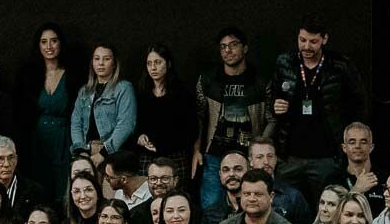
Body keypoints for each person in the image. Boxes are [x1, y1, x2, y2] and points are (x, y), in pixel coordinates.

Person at [266, 18, 367, 206]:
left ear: (324, 39)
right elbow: (272, 96)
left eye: (313, 41)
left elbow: (358, 103)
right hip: (289, 156)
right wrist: (276, 105)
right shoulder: (285, 62)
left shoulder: (340, 66)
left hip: (326, 156)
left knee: (328, 208)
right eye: (302, 40)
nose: (306, 46)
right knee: (284, 207)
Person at [197, 25, 268, 183]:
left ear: (245, 48)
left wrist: (261, 150)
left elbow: (272, 118)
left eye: (233, 45)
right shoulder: (209, 79)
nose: (227, 50)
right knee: (211, 198)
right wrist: (196, 150)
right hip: (214, 155)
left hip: (250, 155)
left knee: (251, 195)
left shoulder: (260, 81)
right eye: (223, 47)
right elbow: (198, 117)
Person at [21, 22, 77, 182]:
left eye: (54, 41)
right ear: (38, 45)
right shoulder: (29, 75)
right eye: (44, 42)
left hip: (64, 139)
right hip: (37, 140)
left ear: (61, 43)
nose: (49, 46)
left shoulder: (73, 75)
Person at [70, 43, 138, 171]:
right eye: (97, 59)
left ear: (114, 64)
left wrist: (103, 154)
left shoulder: (123, 88)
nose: (101, 63)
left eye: (106, 59)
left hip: (113, 153)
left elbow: (126, 125)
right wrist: (81, 151)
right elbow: (76, 123)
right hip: (86, 151)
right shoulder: (84, 91)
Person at [132, 43, 194, 171]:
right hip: (147, 156)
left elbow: (191, 130)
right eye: (149, 63)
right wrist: (139, 138)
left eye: (158, 62)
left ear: (168, 64)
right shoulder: (142, 93)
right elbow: (134, 124)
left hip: (175, 156)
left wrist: (163, 145)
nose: (153, 68)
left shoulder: (181, 92)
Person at [246, 139, 312, 224]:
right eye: (260, 157)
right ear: (250, 161)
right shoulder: (242, 194)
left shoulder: (293, 197)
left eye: (270, 156)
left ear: (276, 159)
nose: (266, 162)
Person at [326, 121, 384, 211]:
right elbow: (329, 213)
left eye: (363, 142)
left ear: (371, 147)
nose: (357, 146)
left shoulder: (385, 179)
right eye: (352, 142)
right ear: (344, 148)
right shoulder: (333, 181)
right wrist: (356, 190)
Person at [0, 136, 42, 215]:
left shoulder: (35, 192)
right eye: (0, 159)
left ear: (16, 159)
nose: (7, 164)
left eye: (11, 157)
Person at [201, 150, 247, 224]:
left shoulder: (260, 208)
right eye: (226, 170)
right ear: (220, 174)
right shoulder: (210, 214)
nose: (231, 174)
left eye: (238, 169)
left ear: (249, 171)